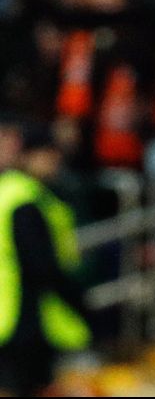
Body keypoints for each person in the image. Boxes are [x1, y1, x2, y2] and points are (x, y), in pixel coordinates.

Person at [0, 117, 91, 396]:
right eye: (50, 155)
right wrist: (76, 300)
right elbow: (41, 265)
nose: (55, 162)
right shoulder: (27, 198)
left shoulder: (9, 191)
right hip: (24, 315)